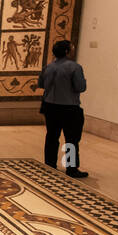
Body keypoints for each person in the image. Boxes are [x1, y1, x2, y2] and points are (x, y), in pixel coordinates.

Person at [38, 40, 87, 177]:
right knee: (71, 139)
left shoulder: (48, 67)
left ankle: (49, 164)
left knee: (52, 136)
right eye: (72, 48)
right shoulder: (74, 67)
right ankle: (71, 168)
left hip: (49, 106)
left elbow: (41, 84)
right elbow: (80, 87)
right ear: (67, 51)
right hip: (68, 107)